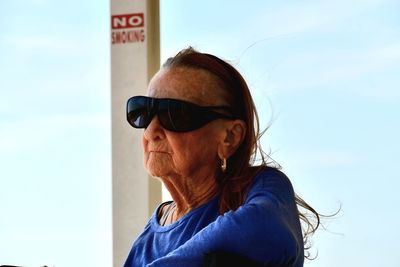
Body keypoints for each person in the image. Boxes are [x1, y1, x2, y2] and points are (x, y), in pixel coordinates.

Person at [123, 47, 320, 267]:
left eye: (174, 114)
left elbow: (262, 229)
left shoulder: (263, 189)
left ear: (229, 137)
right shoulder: (146, 242)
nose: (151, 131)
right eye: (143, 112)